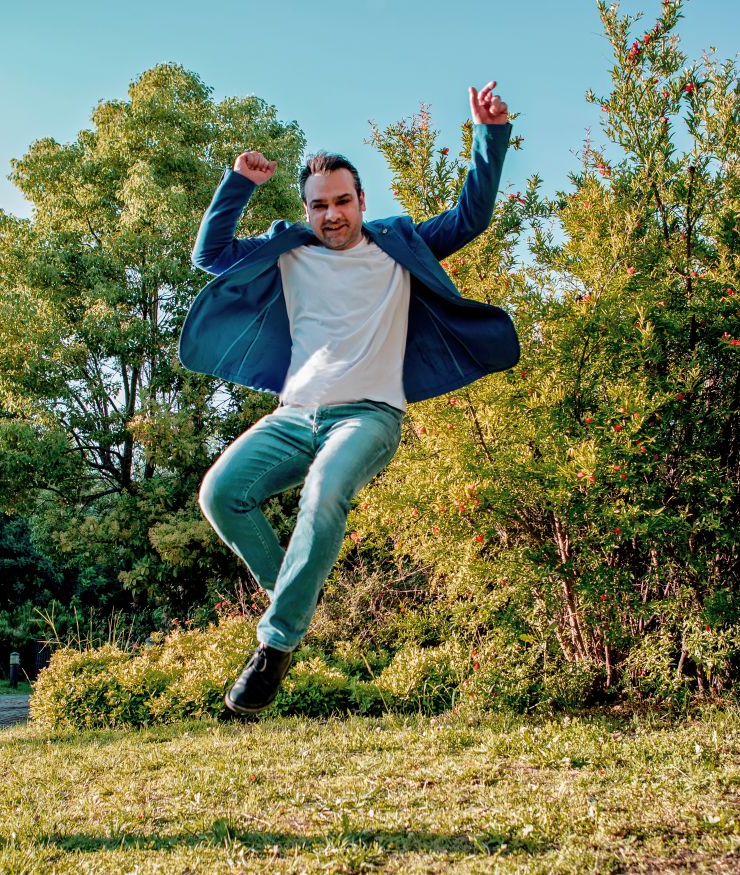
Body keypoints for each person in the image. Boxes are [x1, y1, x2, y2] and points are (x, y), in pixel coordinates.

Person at [178, 82, 519, 715]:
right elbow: (211, 255)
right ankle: (296, 593)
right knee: (220, 493)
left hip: (369, 414)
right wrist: (239, 184)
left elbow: (472, 216)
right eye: (318, 206)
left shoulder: (398, 245)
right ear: (305, 209)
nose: (331, 215)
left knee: (324, 491)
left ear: (362, 200)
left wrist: (488, 135)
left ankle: (276, 644)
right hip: (293, 414)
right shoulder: (290, 252)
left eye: (341, 202)